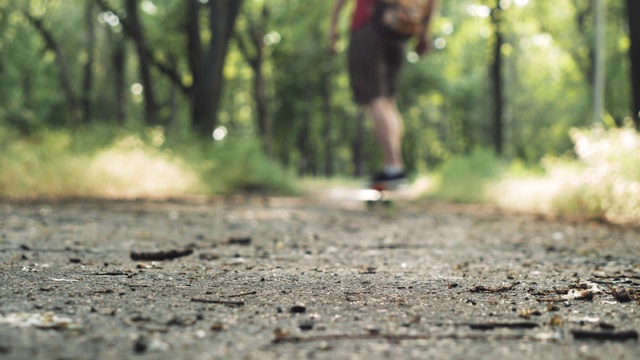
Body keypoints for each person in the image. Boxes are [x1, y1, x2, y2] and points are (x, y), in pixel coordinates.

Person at [329, 0, 437, 187]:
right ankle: (394, 166)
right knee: (388, 101)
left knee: (375, 98)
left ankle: (393, 168)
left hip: (368, 26)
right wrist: (424, 31)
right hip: (398, 29)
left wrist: (333, 25)